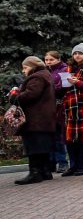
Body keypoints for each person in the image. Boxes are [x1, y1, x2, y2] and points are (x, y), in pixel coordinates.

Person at [12, 57, 56, 185]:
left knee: (33, 146)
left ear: (32, 66)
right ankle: (45, 171)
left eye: (25, 67)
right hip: (44, 118)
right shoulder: (46, 75)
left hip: (35, 118)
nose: (23, 70)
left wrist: (15, 96)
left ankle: (35, 173)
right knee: (42, 145)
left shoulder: (36, 77)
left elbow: (31, 94)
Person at [60, 43, 83, 176]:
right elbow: (63, 89)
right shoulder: (68, 70)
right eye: (75, 53)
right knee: (70, 138)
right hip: (70, 108)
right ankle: (73, 166)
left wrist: (78, 83)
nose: (77, 56)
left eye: (80, 53)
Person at [44, 50, 70, 173]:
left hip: (60, 106)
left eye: (51, 60)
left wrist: (50, 89)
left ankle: (62, 162)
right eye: (46, 60)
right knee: (50, 136)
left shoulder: (64, 70)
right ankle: (51, 162)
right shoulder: (46, 71)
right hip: (48, 107)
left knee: (59, 136)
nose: (48, 62)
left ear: (58, 59)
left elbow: (65, 87)